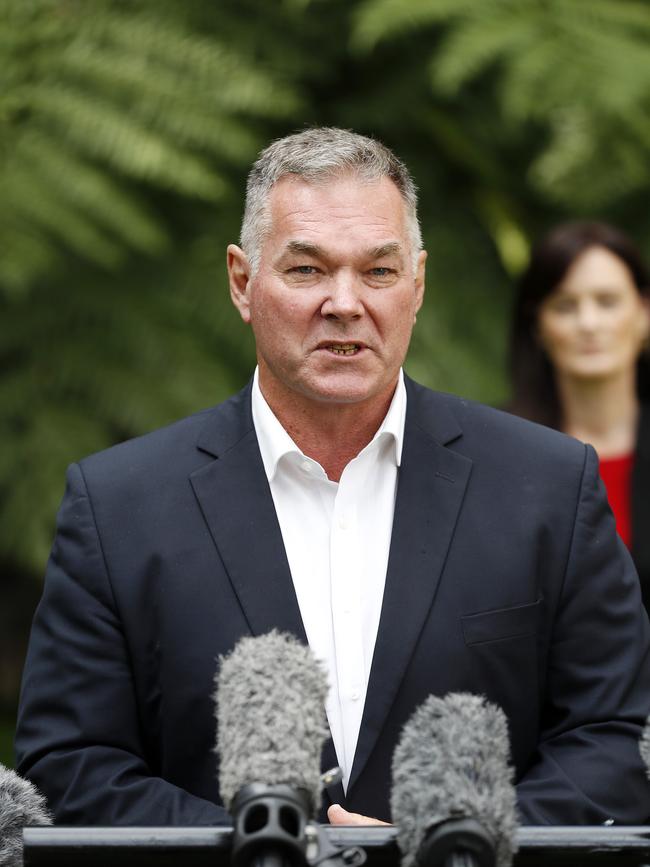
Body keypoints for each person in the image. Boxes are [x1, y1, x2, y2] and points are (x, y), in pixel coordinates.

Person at [15, 129, 650, 827]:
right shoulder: (118, 507)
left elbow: (614, 739)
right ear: (241, 282)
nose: (345, 302)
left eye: (378, 272)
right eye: (308, 270)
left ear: (418, 284)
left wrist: (452, 846)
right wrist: (271, 846)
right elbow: (72, 765)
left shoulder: (549, 485)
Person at [508, 222, 650, 610]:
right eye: (565, 305)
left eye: (607, 302)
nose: (588, 323)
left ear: (644, 313)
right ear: (538, 325)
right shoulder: (495, 452)